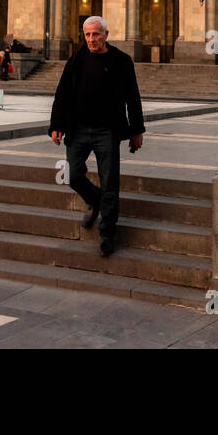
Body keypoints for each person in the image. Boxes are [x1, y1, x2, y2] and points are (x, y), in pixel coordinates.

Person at [49, 16, 144, 257]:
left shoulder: (121, 61)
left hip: (107, 131)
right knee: (71, 173)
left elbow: (133, 96)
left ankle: (106, 234)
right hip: (78, 129)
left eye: (96, 34)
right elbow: (62, 93)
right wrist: (56, 125)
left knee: (110, 181)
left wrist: (137, 129)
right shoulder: (77, 59)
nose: (91, 39)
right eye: (88, 35)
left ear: (106, 34)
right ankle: (96, 198)